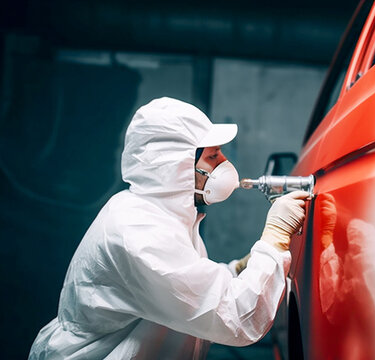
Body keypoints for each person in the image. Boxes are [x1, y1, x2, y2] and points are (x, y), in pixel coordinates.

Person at [29, 97, 309, 359]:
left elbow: (188, 287)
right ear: (176, 165)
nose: (225, 164)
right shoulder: (138, 232)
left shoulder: (161, 215)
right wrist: (274, 239)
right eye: (213, 156)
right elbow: (234, 318)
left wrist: (237, 269)